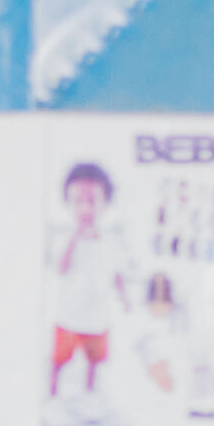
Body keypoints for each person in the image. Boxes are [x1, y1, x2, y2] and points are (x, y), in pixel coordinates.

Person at [49, 162, 131, 397]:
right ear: (69, 203)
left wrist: (124, 298)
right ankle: (52, 393)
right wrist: (75, 236)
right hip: (68, 315)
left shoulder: (110, 241)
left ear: (105, 203)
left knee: (94, 360)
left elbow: (116, 272)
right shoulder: (66, 238)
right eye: (78, 201)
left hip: (97, 317)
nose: (85, 208)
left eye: (92, 201)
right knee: (59, 360)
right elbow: (61, 267)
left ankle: (90, 392)